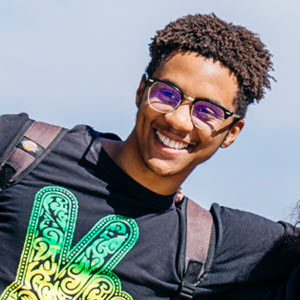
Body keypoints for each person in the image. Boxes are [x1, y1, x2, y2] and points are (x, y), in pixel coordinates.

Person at [0, 13, 299, 300]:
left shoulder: (209, 245)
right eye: (167, 94)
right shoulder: (18, 150)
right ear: (141, 91)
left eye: (207, 112)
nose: (179, 120)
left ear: (231, 132)